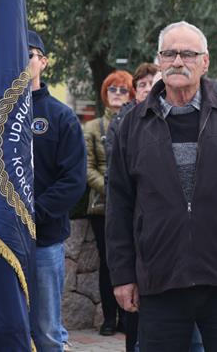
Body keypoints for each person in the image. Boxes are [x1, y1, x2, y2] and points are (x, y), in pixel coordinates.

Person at [106, 21, 217, 351]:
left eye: (187, 53)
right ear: (158, 60)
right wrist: (123, 275)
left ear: (205, 61)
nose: (178, 61)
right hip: (160, 279)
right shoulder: (133, 124)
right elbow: (119, 204)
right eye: (169, 54)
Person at [27, 30, 88, 352]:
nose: (21, 60)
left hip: (43, 239)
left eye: (29, 54)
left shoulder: (61, 116)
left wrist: (33, 212)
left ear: (44, 62)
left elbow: (73, 179)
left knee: (47, 330)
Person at [102, 62, 158, 352]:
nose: (148, 88)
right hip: (133, 221)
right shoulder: (123, 122)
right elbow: (117, 175)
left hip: (161, 230)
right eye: (143, 84)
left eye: (153, 83)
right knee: (135, 311)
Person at [84, 70, 134, 336]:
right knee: (107, 263)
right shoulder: (91, 127)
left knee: (129, 262)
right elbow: (87, 167)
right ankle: (108, 318)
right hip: (102, 206)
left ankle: (128, 317)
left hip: (130, 206)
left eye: (123, 90)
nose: (117, 94)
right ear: (105, 93)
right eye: (112, 89)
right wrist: (113, 190)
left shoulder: (134, 122)